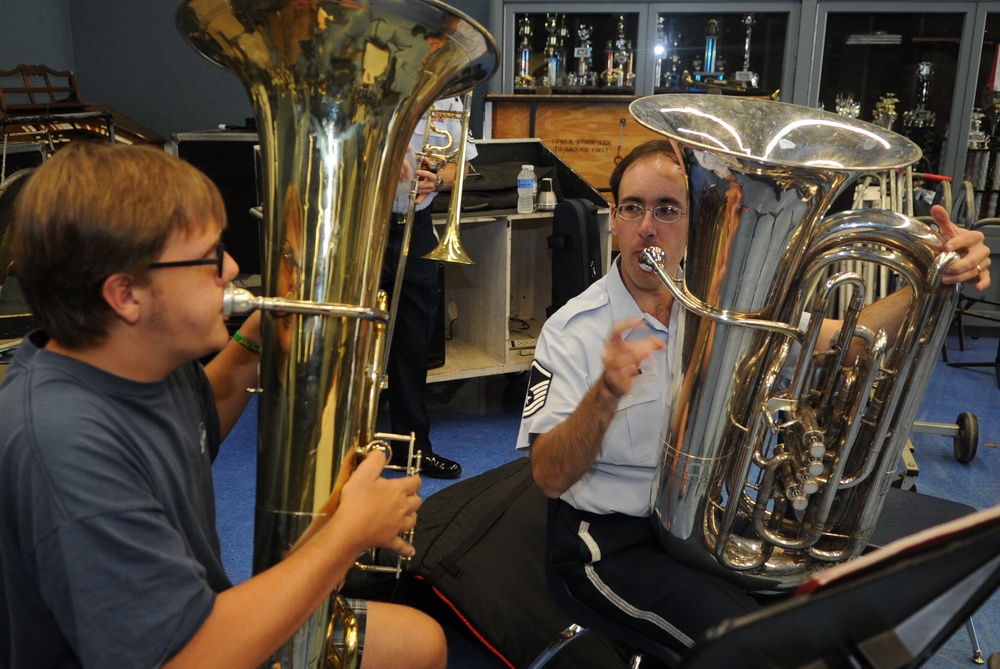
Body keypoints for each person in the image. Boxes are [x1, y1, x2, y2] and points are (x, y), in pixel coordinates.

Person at [515, 139, 992, 657]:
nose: (647, 226)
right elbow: (548, 476)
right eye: (633, 208)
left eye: (667, 209)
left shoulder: (725, 311)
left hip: (706, 520)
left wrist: (934, 278)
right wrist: (604, 395)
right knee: (754, 649)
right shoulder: (572, 330)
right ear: (615, 218)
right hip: (608, 544)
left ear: (695, 223)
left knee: (831, 618)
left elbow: (848, 343)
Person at [0, 139, 447, 669]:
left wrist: (263, 335)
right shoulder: (62, 443)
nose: (233, 268)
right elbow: (183, 659)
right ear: (126, 295)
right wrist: (346, 536)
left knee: (421, 643)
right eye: (210, 257)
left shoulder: (138, 357)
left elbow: (196, 422)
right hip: (187, 648)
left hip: (191, 613)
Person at [381, 95, 473, 479]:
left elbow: (462, 165)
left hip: (415, 226)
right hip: (360, 220)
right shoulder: (366, 78)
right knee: (348, 340)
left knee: (413, 341)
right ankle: (336, 450)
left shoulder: (446, 98)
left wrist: (439, 178)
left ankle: (412, 448)